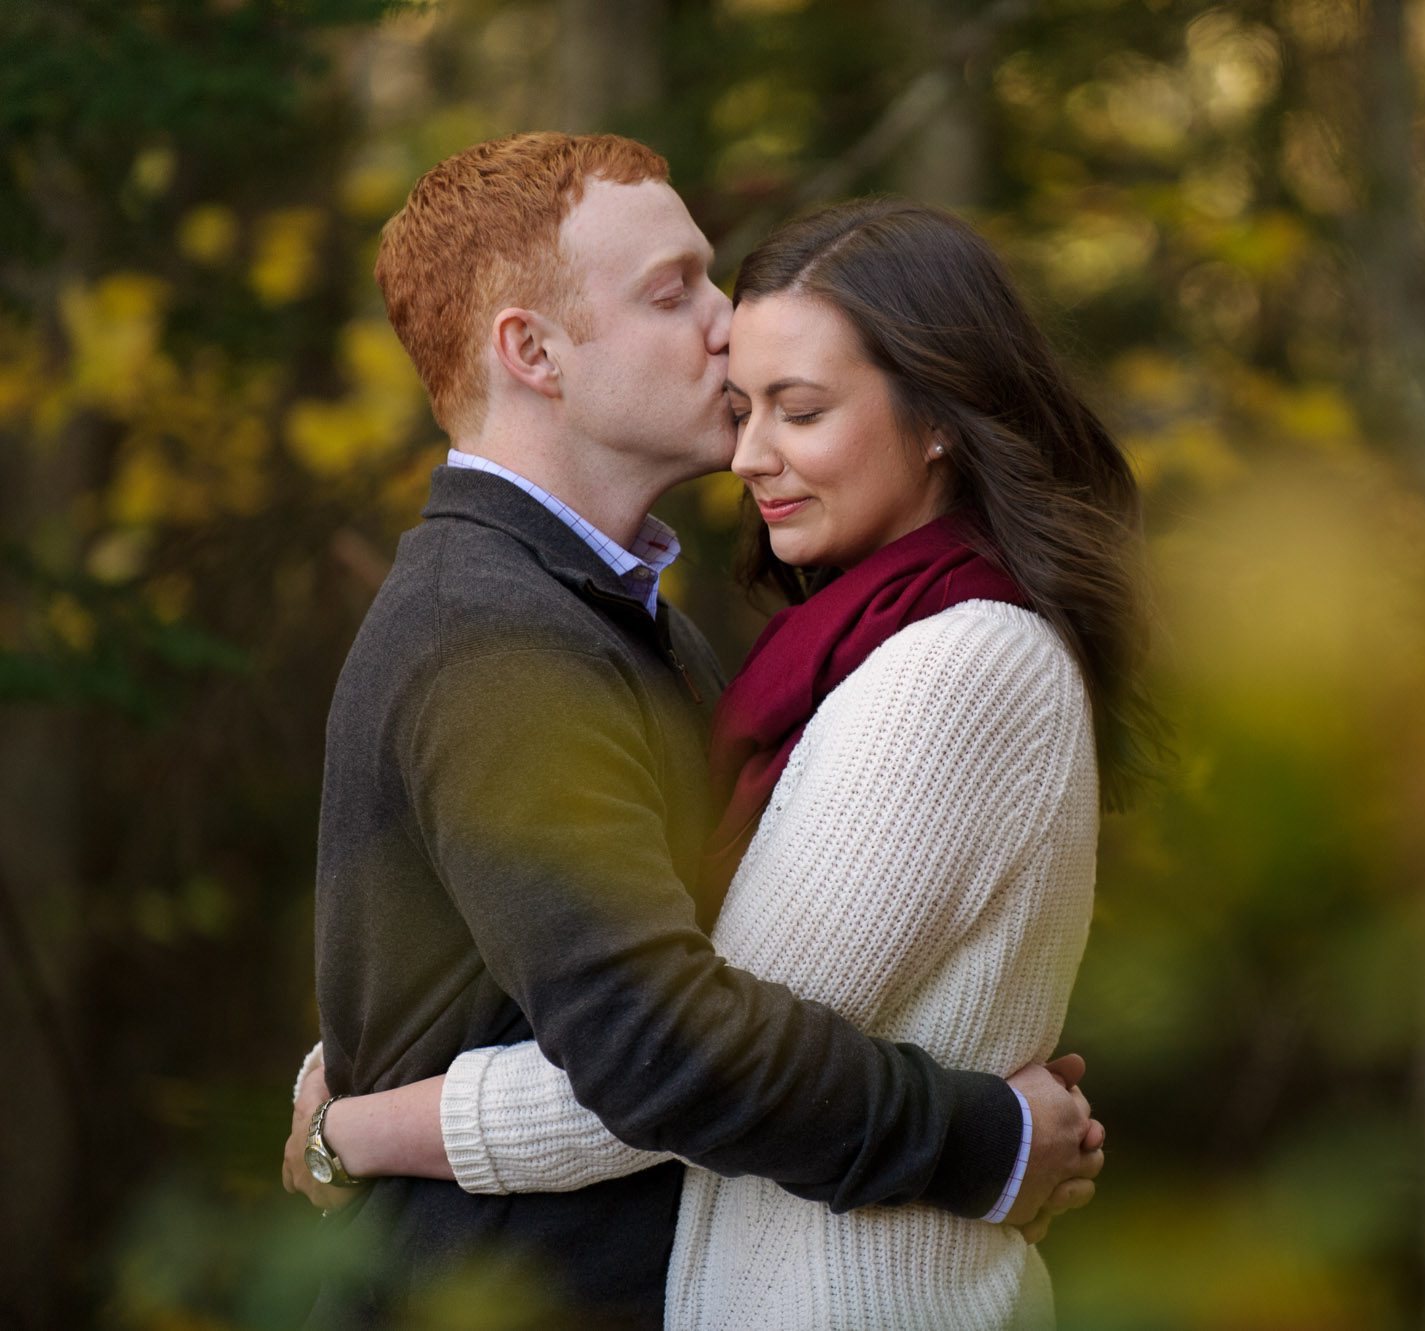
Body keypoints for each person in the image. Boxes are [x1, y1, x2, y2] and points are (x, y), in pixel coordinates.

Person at [282, 133, 1106, 1329]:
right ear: (533, 352)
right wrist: (984, 1133)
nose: (727, 323)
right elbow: (654, 1046)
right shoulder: (493, 639)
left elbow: (612, 985)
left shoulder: (616, 620)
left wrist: (352, 1101)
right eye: (674, 292)